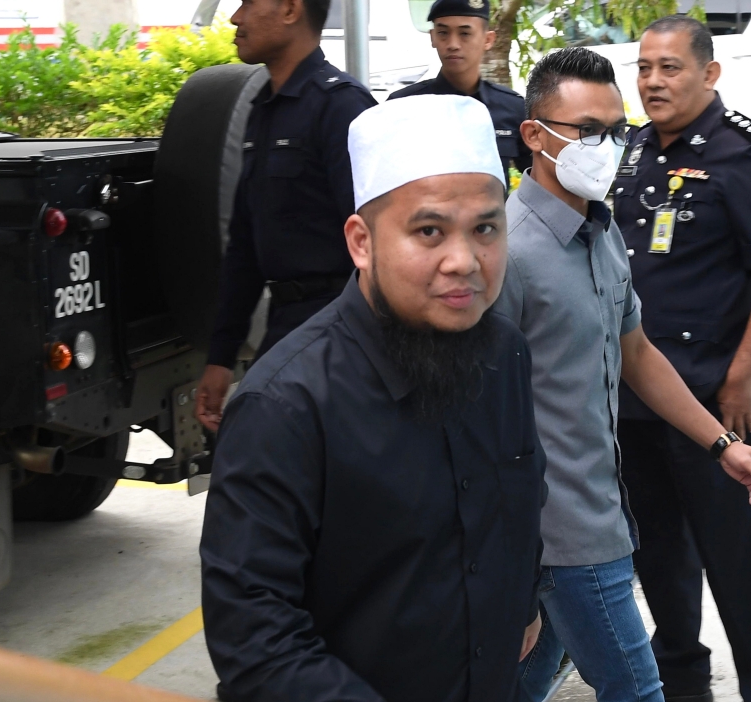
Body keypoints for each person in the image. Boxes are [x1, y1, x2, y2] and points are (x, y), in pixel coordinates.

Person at [200, 94, 547, 702]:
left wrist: (523, 604)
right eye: (429, 231)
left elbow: (519, 505)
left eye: (486, 229)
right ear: (362, 243)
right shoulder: (286, 405)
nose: (463, 261)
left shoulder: (504, 353)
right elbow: (256, 640)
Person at [492, 47, 751, 702]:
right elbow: (476, 415)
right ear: (535, 137)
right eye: (587, 131)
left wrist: (722, 445)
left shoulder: (601, 235)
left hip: (602, 514)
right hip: (562, 539)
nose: (608, 146)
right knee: (640, 690)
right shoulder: (506, 255)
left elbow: (639, 354)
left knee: (519, 687)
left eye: (616, 130)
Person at [613, 16, 751, 702]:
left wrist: (742, 375)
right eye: (644, 68)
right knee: (658, 555)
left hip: (710, 398)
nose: (653, 81)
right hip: (632, 398)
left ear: (709, 73)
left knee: (740, 560)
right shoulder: (631, 149)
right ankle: (683, 684)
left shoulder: (744, 154)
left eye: (669, 67)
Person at [194, 0, 376, 432]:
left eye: (247, 3)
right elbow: (244, 246)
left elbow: (378, 244)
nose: (236, 18)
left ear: (292, 9)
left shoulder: (341, 107)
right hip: (286, 323)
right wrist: (221, 357)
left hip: (340, 331)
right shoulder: (264, 110)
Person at [387, 0, 530, 183]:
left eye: (464, 33)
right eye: (443, 33)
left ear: (488, 40)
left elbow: (536, 181)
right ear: (433, 37)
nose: (453, 44)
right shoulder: (402, 106)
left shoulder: (512, 107)